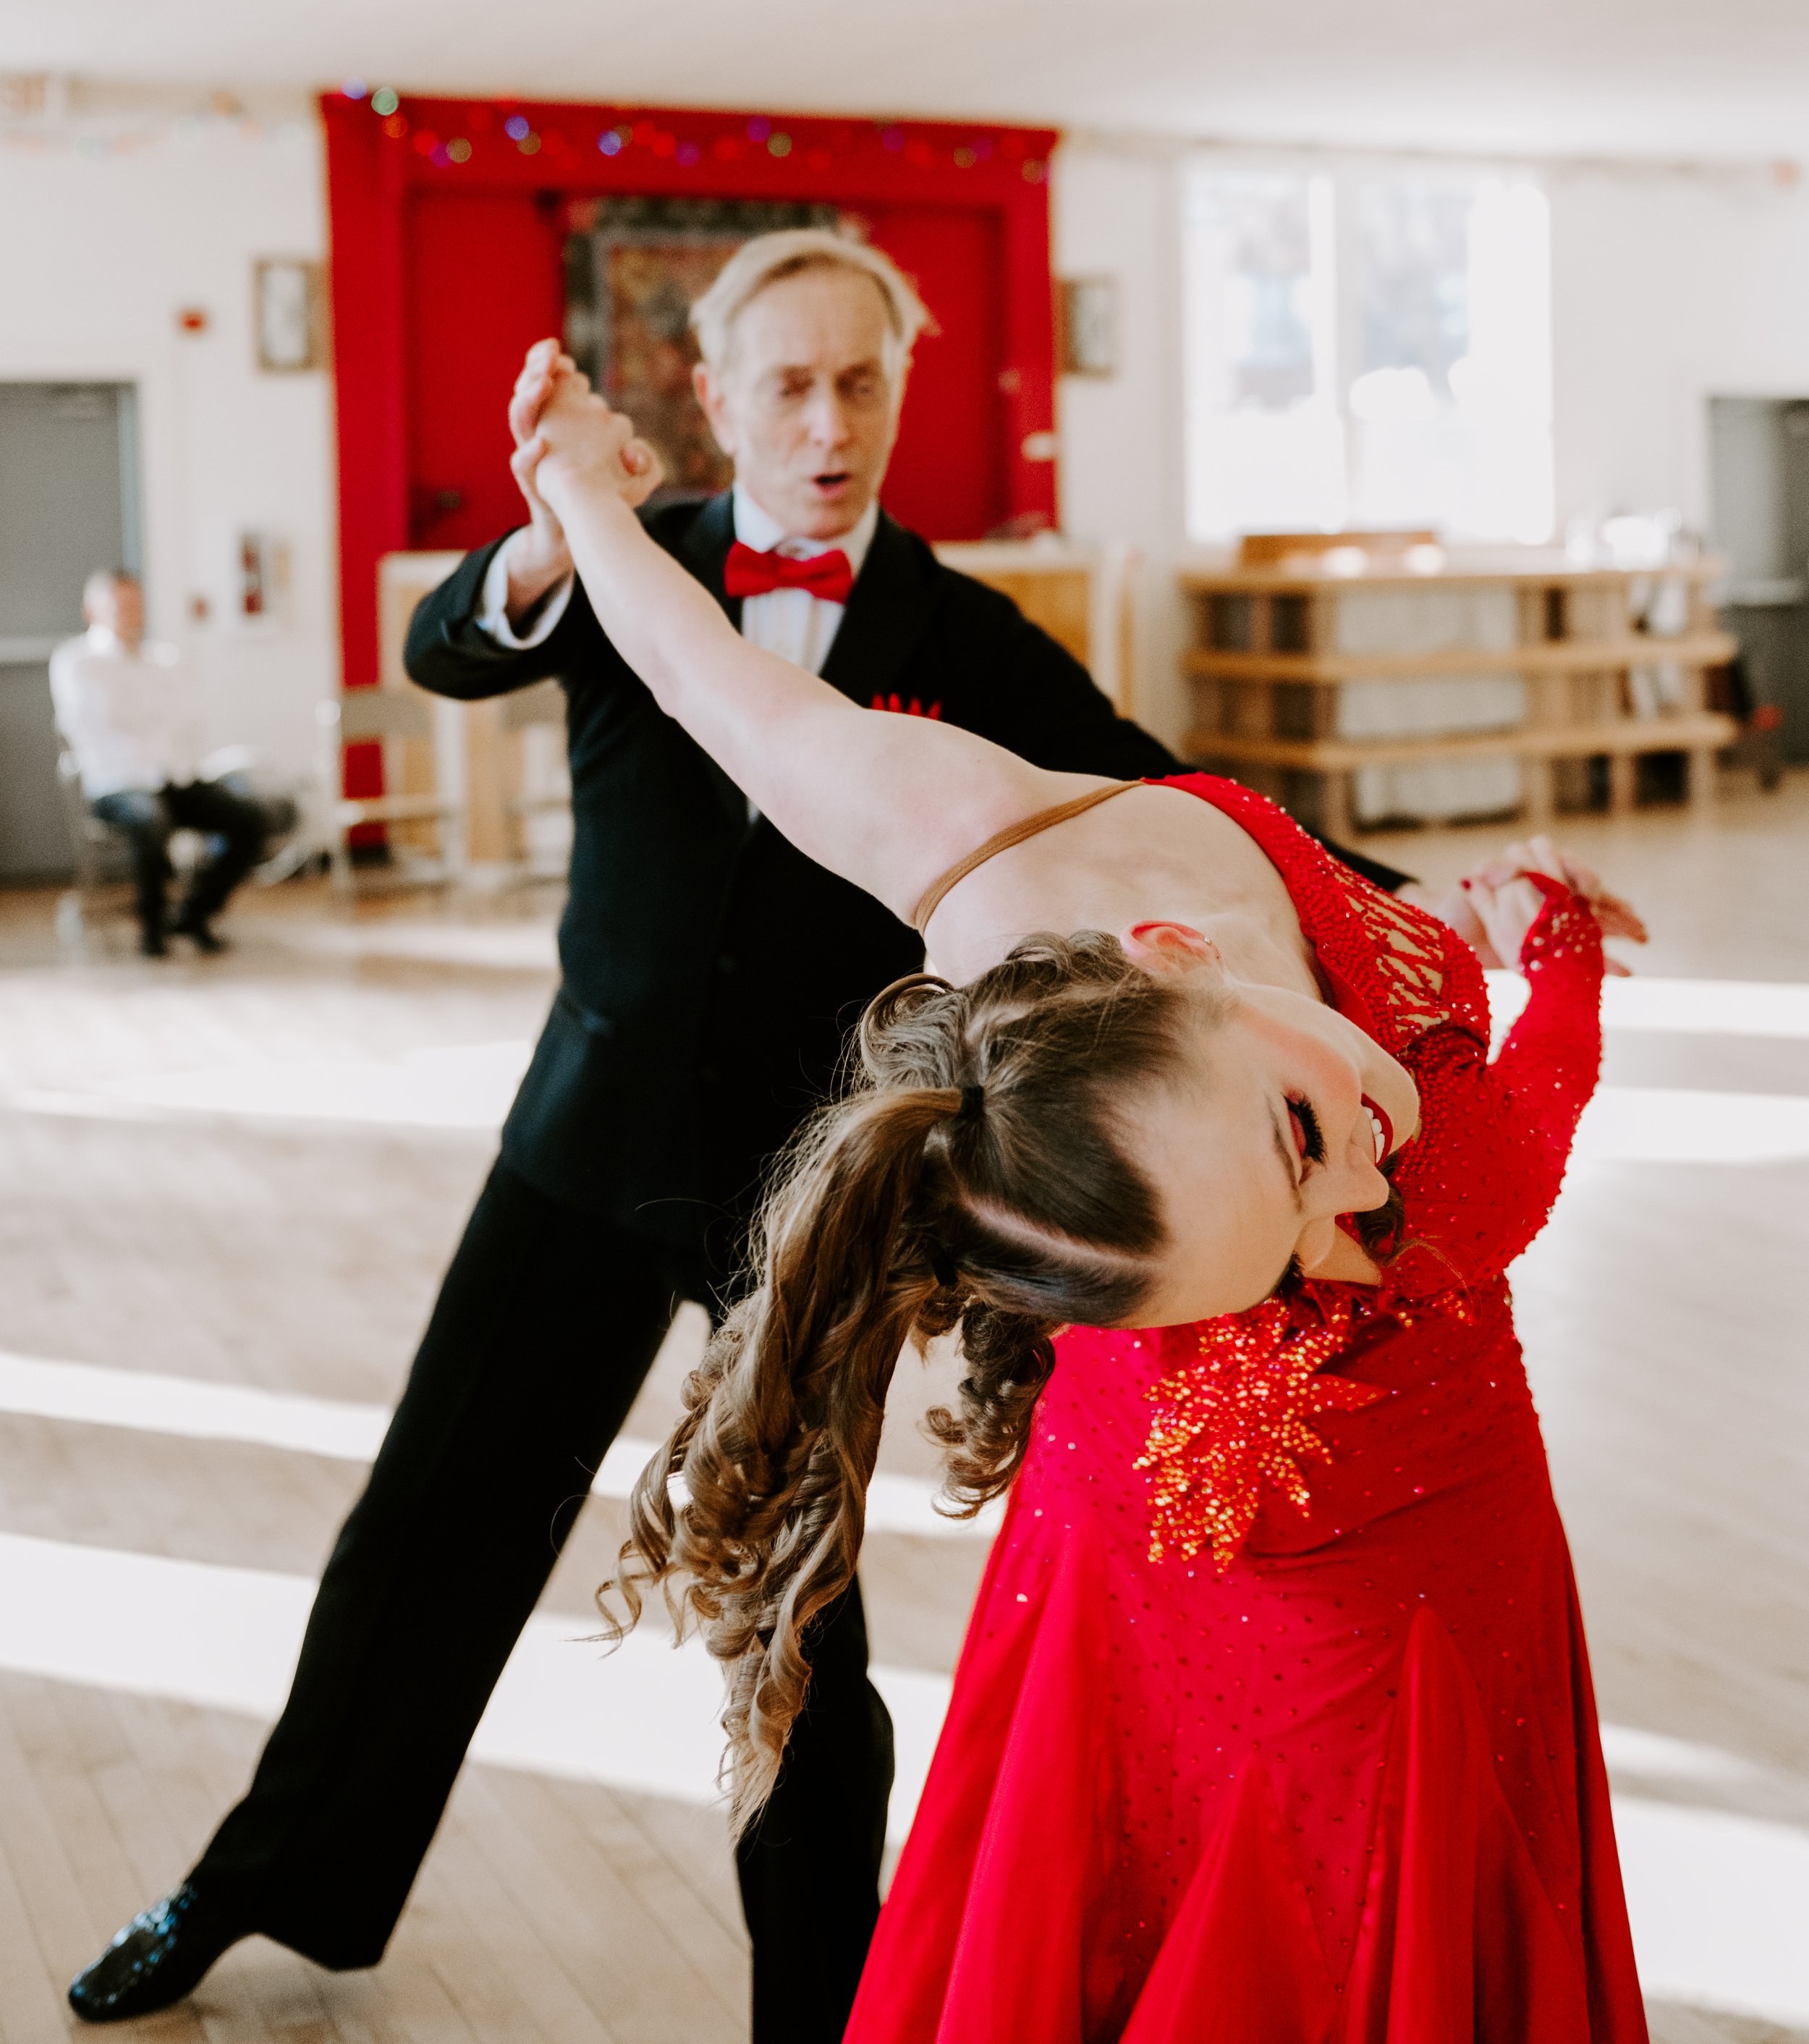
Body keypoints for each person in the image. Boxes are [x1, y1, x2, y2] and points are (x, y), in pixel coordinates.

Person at [69, 229, 1279, 2039]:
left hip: (806, 1196)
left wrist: (1412, 901)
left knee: (796, 1613)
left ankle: (825, 2007)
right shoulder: (640, 566)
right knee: (425, 1535)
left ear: (899, 386)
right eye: (785, 382)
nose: (827, 419)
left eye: (860, 378)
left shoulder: (960, 630)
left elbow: (1164, 795)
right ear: (713, 397)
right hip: (577, 1141)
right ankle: (260, 1882)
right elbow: (443, 643)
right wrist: (559, 521)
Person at [501, 369, 1648, 2042]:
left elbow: (709, 676)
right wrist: (1547, 941)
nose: (1369, 1194)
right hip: (1231, 1553)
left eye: (1299, 1129)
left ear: (1181, 960)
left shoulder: (993, 845)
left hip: (1362, 1523)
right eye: (1295, 1243)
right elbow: (1528, 1092)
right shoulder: (1419, 1186)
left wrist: (584, 486)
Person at [49, 571, 265, 957]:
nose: (130, 614)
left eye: (136, 605)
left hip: (174, 777)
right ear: (92, 611)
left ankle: (194, 912)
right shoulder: (76, 662)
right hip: (116, 782)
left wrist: (152, 723)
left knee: (253, 819)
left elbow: (188, 721)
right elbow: (102, 720)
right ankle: (152, 928)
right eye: (120, 605)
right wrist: (153, 719)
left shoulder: (163, 660)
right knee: (151, 819)